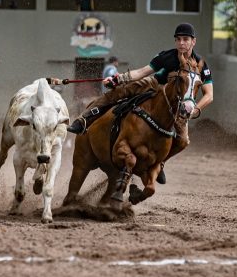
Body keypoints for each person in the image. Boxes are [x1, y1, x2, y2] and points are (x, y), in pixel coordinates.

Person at [66, 23, 214, 184]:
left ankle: (160, 162)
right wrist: (119, 79)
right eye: (178, 39)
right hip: (156, 85)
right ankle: (84, 119)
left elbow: (209, 95)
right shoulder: (167, 56)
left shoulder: (201, 65)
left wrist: (195, 110)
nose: (181, 43)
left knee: (183, 141)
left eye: (185, 39)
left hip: (179, 106)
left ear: (194, 41)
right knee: (119, 92)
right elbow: (143, 72)